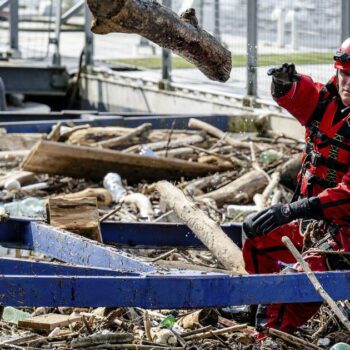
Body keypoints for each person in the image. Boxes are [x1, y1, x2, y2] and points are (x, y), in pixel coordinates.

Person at [243, 38, 350, 334]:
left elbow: (347, 196)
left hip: (345, 242)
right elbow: (305, 97)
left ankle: (271, 334)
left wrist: (291, 210)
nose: (348, 84)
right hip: (316, 227)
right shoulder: (328, 101)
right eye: (345, 74)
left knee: (290, 286)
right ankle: (257, 309)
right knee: (256, 236)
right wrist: (285, 83)